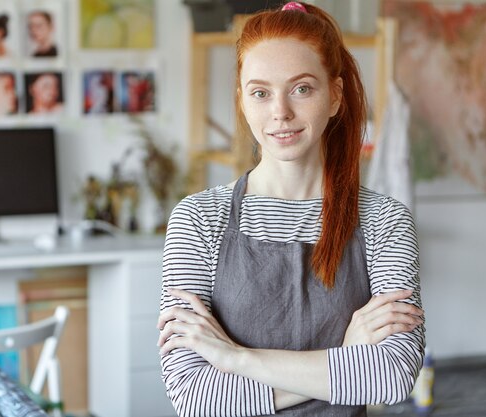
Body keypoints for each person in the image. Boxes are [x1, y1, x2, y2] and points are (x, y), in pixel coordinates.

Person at [157, 2, 426, 416]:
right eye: (260, 93)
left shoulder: (384, 220)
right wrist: (345, 355)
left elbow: (391, 375)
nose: (280, 112)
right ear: (243, 101)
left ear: (335, 96)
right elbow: (196, 396)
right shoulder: (198, 219)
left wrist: (235, 360)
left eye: (302, 88)